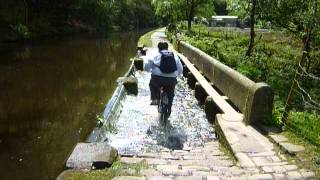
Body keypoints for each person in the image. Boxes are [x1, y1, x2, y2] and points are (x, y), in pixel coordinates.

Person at [144, 42, 183, 117]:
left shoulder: (156, 55)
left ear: (159, 48)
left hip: (158, 79)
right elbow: (180, 69)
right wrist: (174, 75)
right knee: (170, 92)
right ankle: (169, 108)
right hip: (171, 80)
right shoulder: (174, 55)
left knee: (152, 84)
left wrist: (147, 70)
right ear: (167, 48)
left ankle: (154, 99)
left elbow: (148, 65)